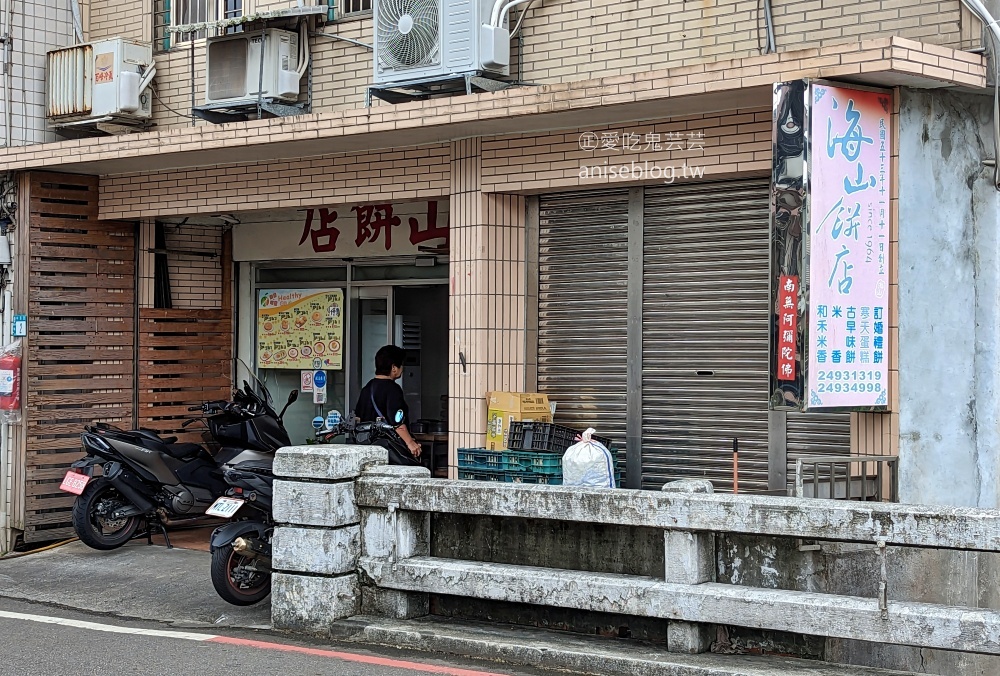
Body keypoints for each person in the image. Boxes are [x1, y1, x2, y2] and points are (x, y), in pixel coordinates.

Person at [354, 344, 423, 466]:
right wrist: (410, 443)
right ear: (394, 368)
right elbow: (397, 422)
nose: (402, 369)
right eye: (401, 365)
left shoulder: (367, 388)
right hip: (389, 451)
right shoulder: (393, 389)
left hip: (368, 449)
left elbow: (358, 418)